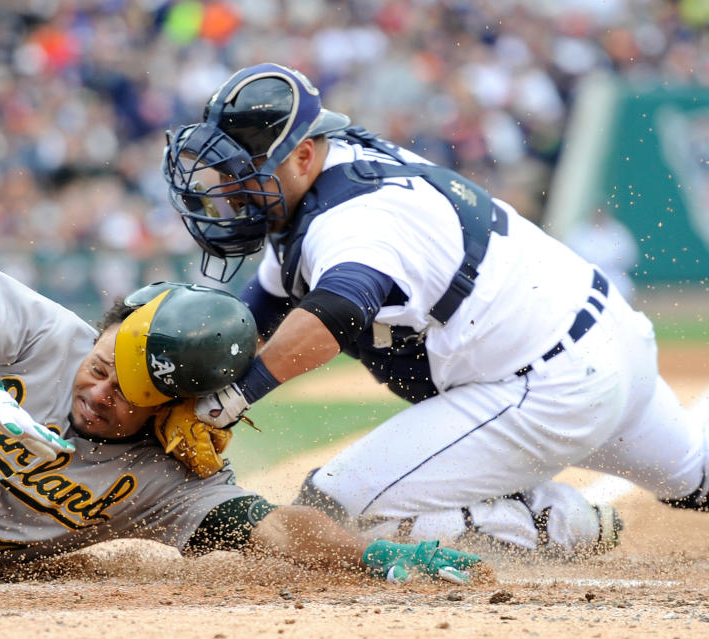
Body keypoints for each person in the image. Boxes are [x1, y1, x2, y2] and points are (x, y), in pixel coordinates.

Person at [162, 62, 709, 556]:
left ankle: (549, 521)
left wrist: (229, 400)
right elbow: (255, 314)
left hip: (546, 386)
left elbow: (334, 314)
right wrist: (176, 388)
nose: (230, 191)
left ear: (304, 153)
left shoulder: (352, 218)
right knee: (695, 480)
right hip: (608, 341)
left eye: (243, 173)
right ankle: (527, 500)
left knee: (328, 512)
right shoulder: (338, 167)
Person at [0, 253, 480, 583]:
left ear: (172, 413)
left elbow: (272, 525)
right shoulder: (54, 336)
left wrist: (370, 557)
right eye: (100, 366)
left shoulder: (170, 479)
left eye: (125, 394)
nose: (97, 391)